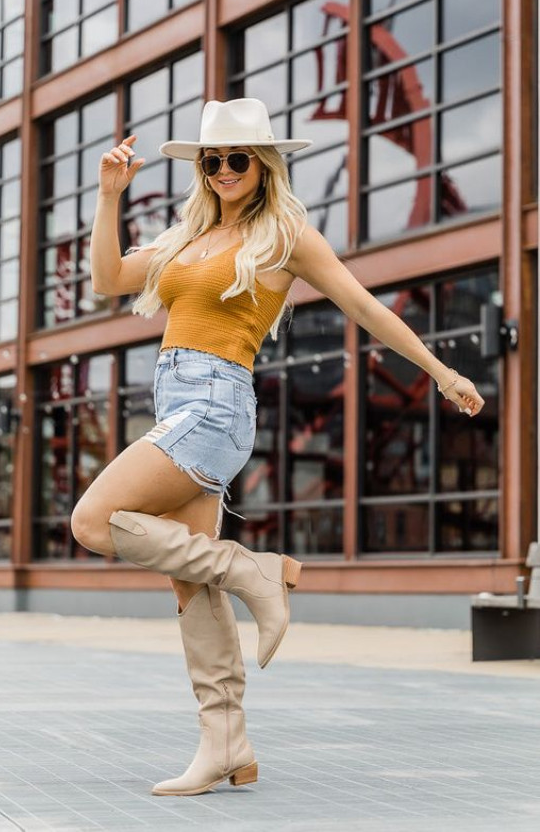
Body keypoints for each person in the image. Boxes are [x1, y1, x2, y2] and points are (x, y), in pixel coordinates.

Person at [72, 97, 485, 797]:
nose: (224, 170)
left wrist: (442, 372)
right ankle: (225, 742)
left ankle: (255, 572)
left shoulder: (285, 235)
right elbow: (107, 279)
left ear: (263, 165)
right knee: (192, 585)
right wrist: (109, 198)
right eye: (212, 160)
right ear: (201, 168)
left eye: (238, 159)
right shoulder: (185, 238)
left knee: (92, 522)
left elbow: (365, 306)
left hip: (214, 404)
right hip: (176, 402)